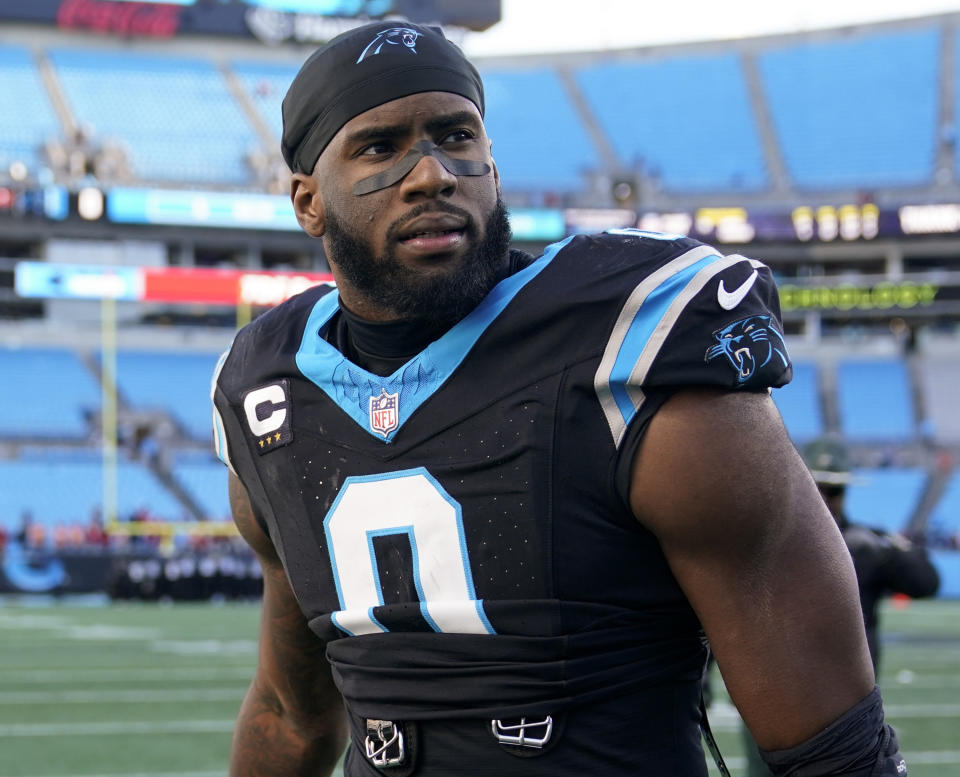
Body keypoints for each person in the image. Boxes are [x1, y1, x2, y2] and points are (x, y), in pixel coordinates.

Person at [211, 22, 905, 777]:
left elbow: (836, 752)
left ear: (493, 166)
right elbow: (290, 716)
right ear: (309, 203)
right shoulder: (271, 392)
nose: (432, 173)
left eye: (456, 136)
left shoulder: (626, 353)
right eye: (380, 147)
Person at [804, 437, 941, 672]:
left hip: (852, 687)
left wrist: (886, 554)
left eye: (834, 490)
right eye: (817, 489)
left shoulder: (867, 544)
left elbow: (926, 583)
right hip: (786, 681)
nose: (825, 498)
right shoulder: (771, 545)